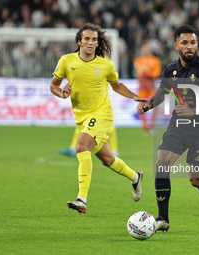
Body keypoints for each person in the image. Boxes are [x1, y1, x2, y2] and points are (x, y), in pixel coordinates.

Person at [137, 25, 199, 231]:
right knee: (162, 162)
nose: (189, 46)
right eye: (185, 42)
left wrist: (194, 110)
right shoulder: (170, 70)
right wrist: (149, 104)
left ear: (197, 45)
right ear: (176, 44)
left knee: (196, 179)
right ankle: (162, 219)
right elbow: (162, 92)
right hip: (178, 125)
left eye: (193, 42)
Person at [50, 23, 147, 214]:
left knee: (81, 146)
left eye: (94, 39)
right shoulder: (66, 61)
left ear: (97, 42)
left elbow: (117, 85)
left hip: (102, 114)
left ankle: (82, 198)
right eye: (86, 38)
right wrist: (62, 93)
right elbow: (54, 85)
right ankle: (135, 177)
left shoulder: (105, 65)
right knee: (108, 159)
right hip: (82, 117)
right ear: (79, 41)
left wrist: (134, 96)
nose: (90, 42)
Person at [134, 42, 162, 132]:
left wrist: (147, 72)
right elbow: (139, 72)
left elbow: (156, 73)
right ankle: (145, 127)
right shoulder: (138, 60)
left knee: (155, 105)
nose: (145, 50)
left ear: (150, 49)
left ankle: (152, 125)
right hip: (142, 86)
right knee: (141, 105)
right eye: (144, 48)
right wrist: (149, 71)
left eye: (147, 48)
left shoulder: (156, 60)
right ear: (142, 50)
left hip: (151, 86)